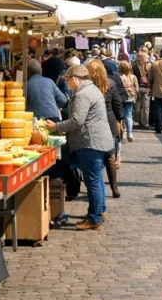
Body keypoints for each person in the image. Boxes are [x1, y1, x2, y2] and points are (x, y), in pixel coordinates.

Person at [44, 66, 113, 231]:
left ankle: (95, 218)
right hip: (96, 140)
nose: (67, 83)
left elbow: (77, 121)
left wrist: (56, 126)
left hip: (90, 142)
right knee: (96, 179)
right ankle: (97, 211)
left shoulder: (83, 94)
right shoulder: (92, 89)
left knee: (92, 181)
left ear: (75, 79)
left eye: (68, 80)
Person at [86, 59, 122, 199]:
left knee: (96, 155)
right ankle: (114, 186)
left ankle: (98, 186)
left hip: (94, 121)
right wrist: (120, 120)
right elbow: (118, 105)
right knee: (109, 156)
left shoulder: (88, 87)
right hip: (109, 119)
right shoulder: (111, 84)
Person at [118, 61, 138, 142]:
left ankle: (121, 133)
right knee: (129, 115)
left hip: (121, 98)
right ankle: (129, 133)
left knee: (120, 115)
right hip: (130, 98)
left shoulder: (119, 77)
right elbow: (137, 89)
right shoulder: (133, 77)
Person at [132, 50, 152, 129]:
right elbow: (151, 76)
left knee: (137, 105)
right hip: (146, 87)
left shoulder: (133, 65)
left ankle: (137, 121)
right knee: (146, 107)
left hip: (137, 87)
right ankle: (145, 123)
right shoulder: (148, 65)